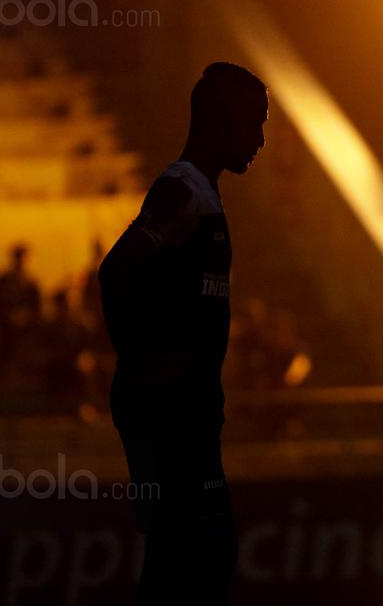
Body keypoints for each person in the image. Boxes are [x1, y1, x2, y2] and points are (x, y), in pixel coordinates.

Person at [99, 62, 266, 605]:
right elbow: (118, 271)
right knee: (200, 551)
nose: (260, 140)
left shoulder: (200, 194)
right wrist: (153, 369)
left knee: (183, 553)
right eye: (254, 124)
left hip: (182, 409)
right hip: (170, 413)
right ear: (221, 123)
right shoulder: (181, 193)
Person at [0, 243, 41, 374]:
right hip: (6, 324)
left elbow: (37, 306)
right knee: (7, 344)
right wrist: (6, 317)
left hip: (27, 325)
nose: (22, 262)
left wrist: (26, 317)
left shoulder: (31, 282)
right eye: (19, 258)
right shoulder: (2, 281)